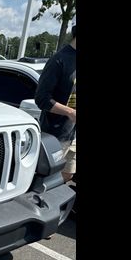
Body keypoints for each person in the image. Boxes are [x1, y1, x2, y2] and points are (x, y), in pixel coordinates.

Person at [35, 25, 76, 182]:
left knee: (68, 175)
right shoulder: (59, 60)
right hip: (55, 136)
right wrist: (70, 112)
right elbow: (41, 98)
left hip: (73, 135)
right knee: (48, 180)